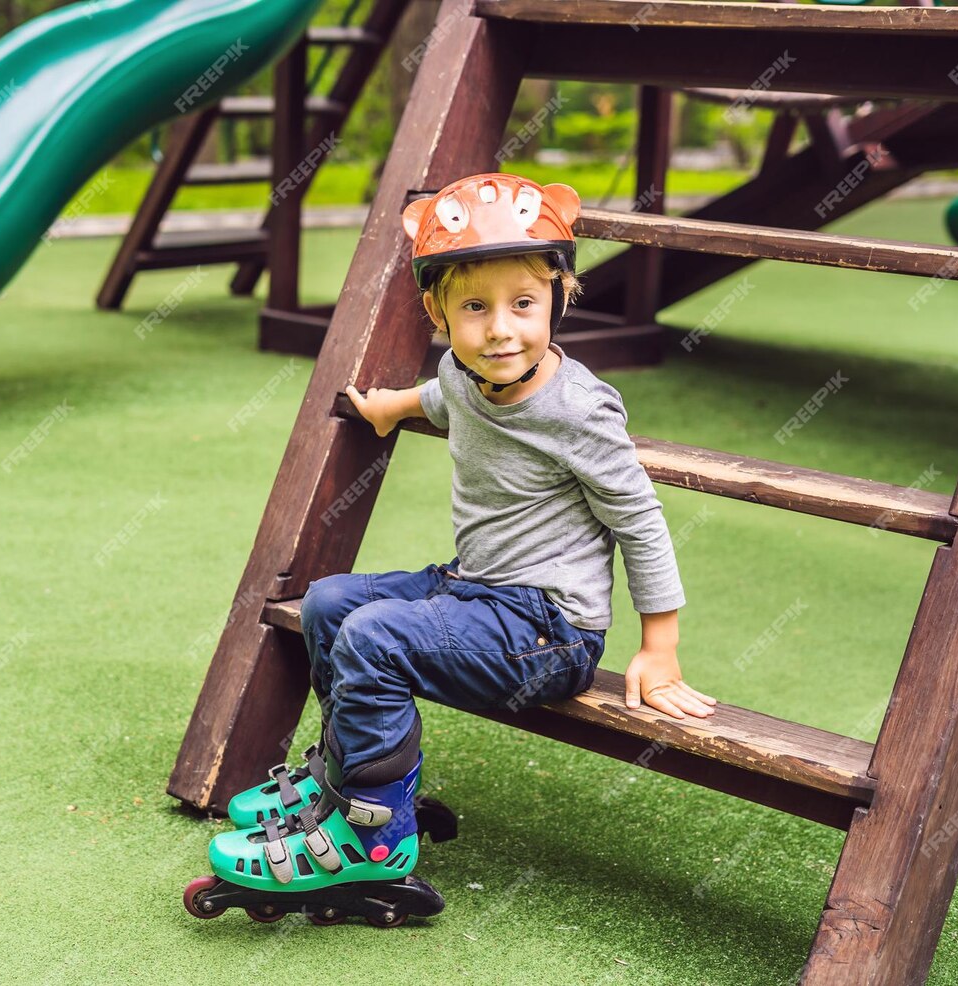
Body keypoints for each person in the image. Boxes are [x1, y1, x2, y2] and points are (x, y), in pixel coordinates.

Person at [184, 173, 715, 927]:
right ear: (438, 312)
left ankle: (375, 838)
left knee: (374, 638)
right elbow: (443, 398)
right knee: (333, 602)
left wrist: (659, 644)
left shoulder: (578, 410)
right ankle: (348, 778)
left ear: (559, 298)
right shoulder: (465, 373)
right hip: (475, 590)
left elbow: (639, 516)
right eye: (475, 308)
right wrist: (390, 407)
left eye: (523, 305)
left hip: (548, 630)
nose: (501, 330)